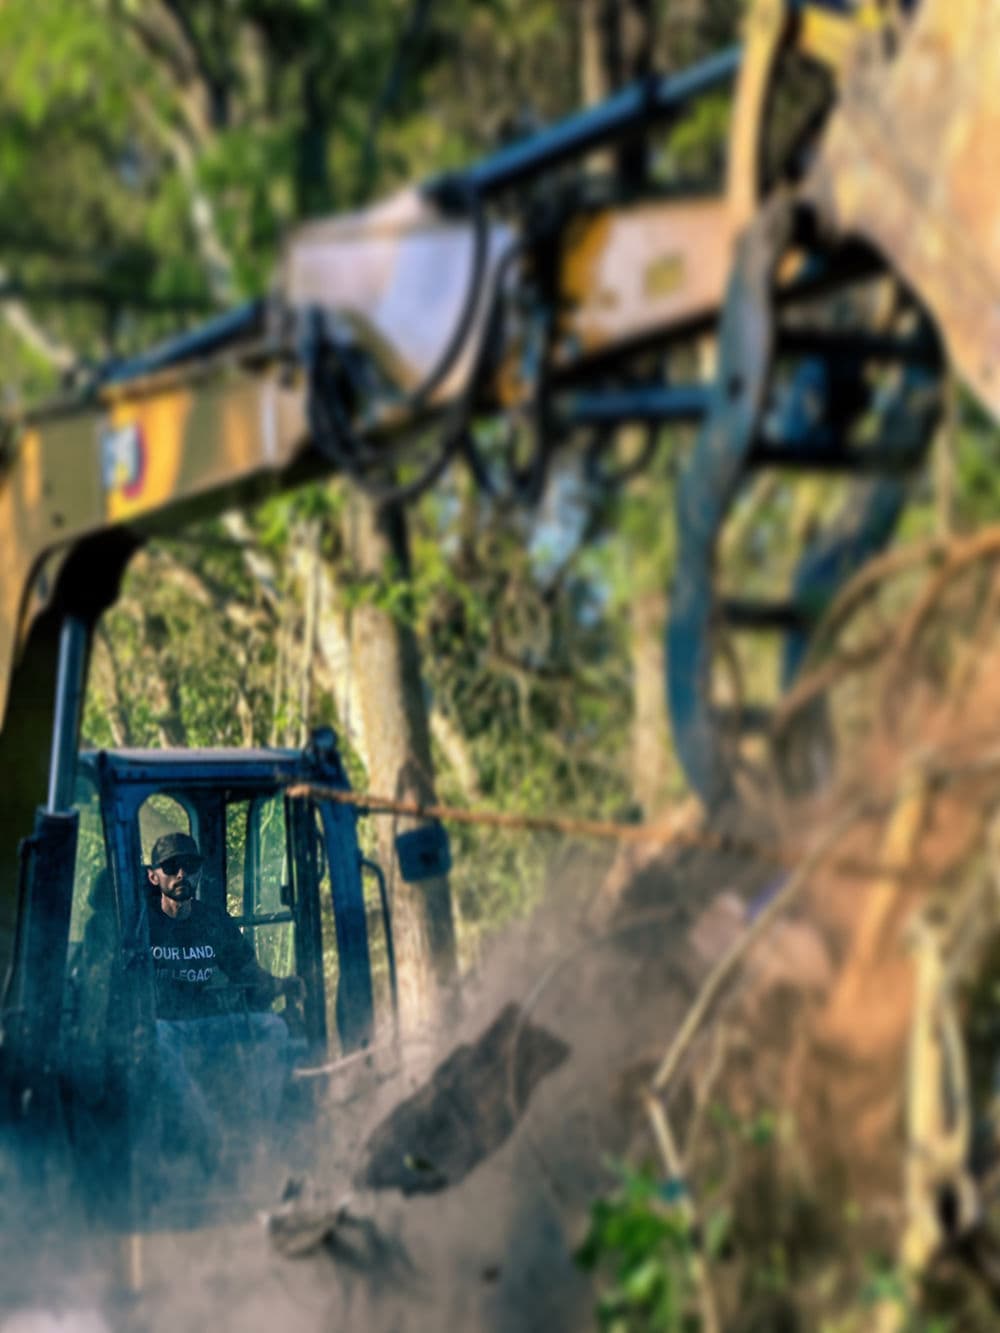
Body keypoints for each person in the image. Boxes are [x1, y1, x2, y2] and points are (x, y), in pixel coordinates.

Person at [146, 830, 304, 1175]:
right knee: (158, 1040)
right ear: (153, 875)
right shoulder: (140, 925)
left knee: (273, 1029)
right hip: (163, 1030)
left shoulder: (213, 921)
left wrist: (283, 986)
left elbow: (251, 977)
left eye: (190, 865)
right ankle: (213, 1142)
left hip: (210, 1029)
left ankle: (257, 1139)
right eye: (172, 866)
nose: (182, 875)